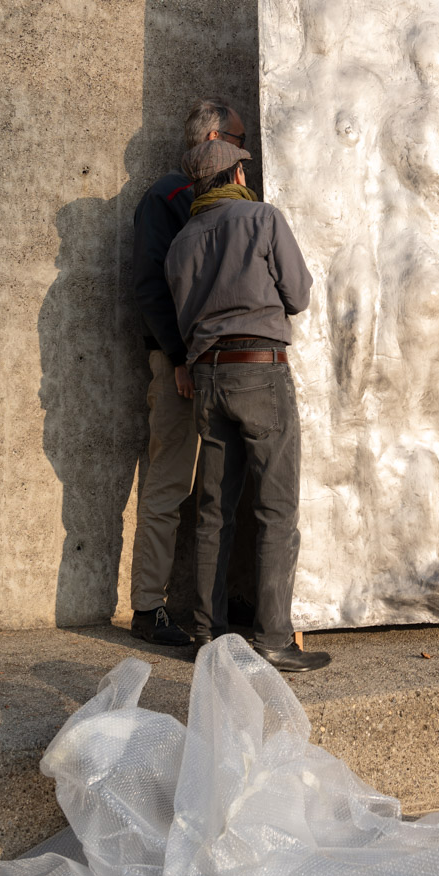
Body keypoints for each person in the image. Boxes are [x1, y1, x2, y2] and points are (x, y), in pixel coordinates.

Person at [165, 140, 329, 672]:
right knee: (276, 510)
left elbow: (181, 315)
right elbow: (299, 295)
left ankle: (208, 640)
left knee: (213, 512)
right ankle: (273, 640)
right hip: (259, 371)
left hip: (207, 378)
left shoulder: (181, 241)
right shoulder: (262, 218)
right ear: (236, 173)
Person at [129, 97, 254, 647]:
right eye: (238, 140)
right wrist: (178, 358)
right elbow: (152, 287)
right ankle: (147, 607)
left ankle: (222, 601)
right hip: (184, 363)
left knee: (222, 486)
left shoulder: (230, 205)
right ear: (213, 142)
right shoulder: (167, 197)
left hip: (224, 364)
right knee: (171, 480)